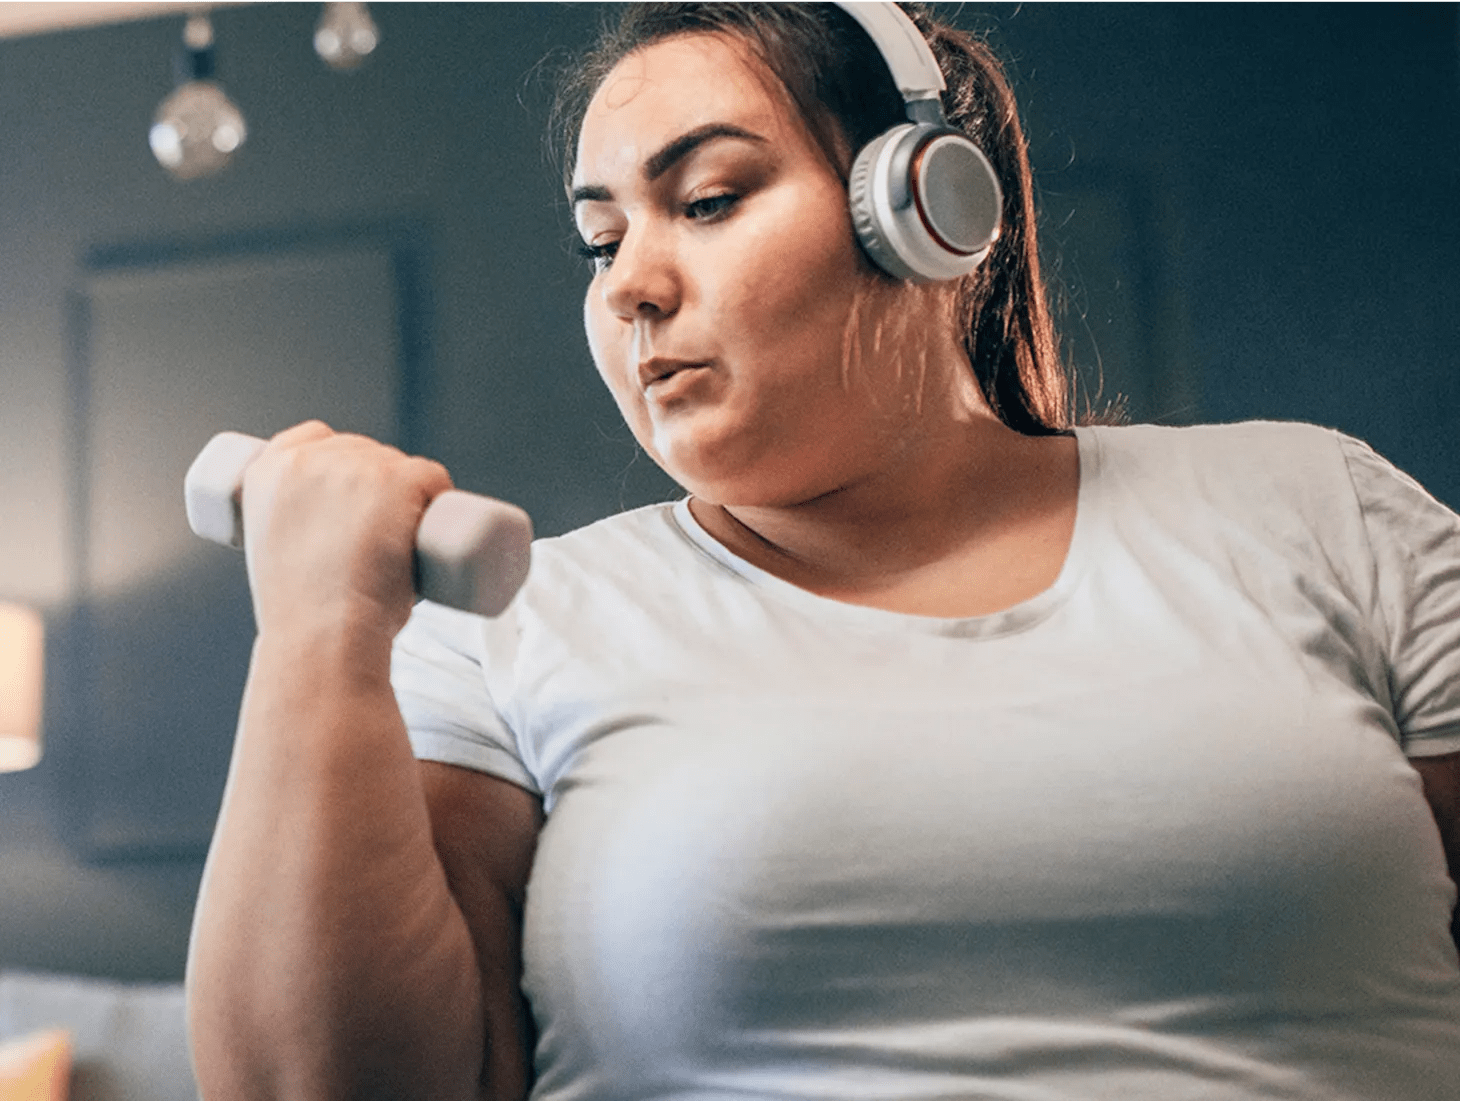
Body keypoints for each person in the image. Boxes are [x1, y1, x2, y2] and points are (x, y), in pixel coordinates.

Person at [185, 3, 1460, 1100]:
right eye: (600, 238)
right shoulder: (513, 624)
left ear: (930, 209)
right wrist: (315, 636)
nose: (631, 283)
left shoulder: (1320, 509)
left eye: (706, 200)